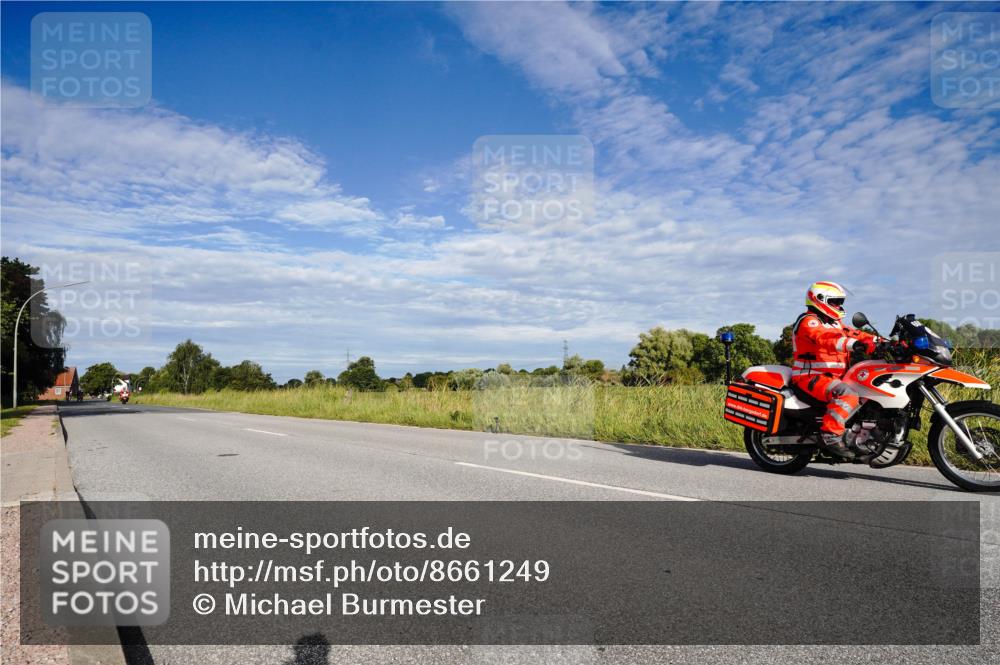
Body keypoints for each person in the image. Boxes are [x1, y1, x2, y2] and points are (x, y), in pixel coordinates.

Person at [791, 281, 879, 458]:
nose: (839, 306)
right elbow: (826, 338)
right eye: (835, 302)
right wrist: (857, 345)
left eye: (840, 302)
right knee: (848, 394)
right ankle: (830, 434)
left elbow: (856, 334)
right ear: (819, 299)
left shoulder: (835, 323)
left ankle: (862, 436)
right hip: (811, 377)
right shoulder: (809, 321)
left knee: (870, 390)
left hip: (834, 377)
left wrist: (882, 342)